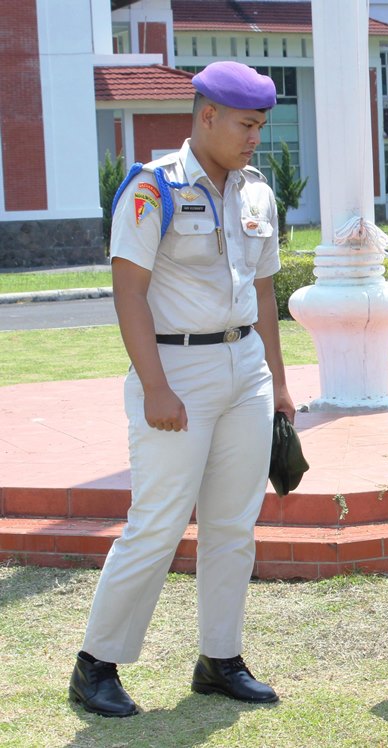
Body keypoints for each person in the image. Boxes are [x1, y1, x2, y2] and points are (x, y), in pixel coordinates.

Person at [69, 61, 295, 718]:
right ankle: (96, 665)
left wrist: (278, 383)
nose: (255, 138)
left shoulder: (257, 193)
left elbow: (262, 290)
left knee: (232, 525)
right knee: (159, 522)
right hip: (177, 372)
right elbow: (129, 291)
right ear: (206, 117)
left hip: (244, 367)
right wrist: (155, 387)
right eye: (246, 125)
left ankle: (219, 660)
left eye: (260, 125)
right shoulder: (152, 188)